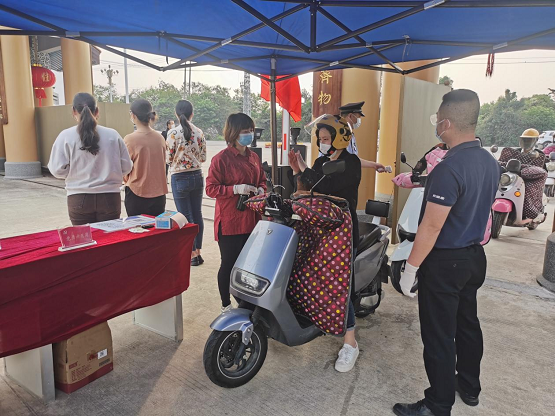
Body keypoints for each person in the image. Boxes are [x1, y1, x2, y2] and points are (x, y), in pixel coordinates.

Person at [394, 90, 502, 416]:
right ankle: (469, 387)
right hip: (474, 259)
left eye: (437, 119)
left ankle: (438, 404)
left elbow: (430, 228)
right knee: (468, 325)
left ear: (447, 122)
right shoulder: (489, 161)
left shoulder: (448, 168)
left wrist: (410, 269)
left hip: (446, 262)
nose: (436, 125)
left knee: (439, 335)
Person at [289, 114, 361, 373]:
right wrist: (298, 171)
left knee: (340, 283)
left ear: (341, 138)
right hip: (317, 228)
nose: (322, 143)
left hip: (342, 231)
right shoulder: (320, 161)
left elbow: (331, 186)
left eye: (326, 138)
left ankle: (350, 342)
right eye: (320, 139)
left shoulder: (351, 163)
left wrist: (306, 172)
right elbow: (305, 190)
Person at [205, 113, 266, 312]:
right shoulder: (221, 159)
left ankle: (245, 302)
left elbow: (262, 180)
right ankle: (225, 304)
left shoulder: (254, 157)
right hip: (230, 221)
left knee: (248, 265)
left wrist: (261, 190)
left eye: (251, 131)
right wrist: (235, 189)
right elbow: (211, 189)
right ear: (233, 133)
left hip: (251, 219)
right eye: (245, 131)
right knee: (229, 264)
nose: (249, 135)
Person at [48, 92, 133, 225]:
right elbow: (127, 167)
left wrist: (73, 173)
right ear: (97, 111)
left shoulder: (65, 136)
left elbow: (56, 169)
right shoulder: (112, 135)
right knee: (109, 242)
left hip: (78, 197)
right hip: (109, 197)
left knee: (84, 243)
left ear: (73, 111)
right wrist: (111, 172)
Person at [167, 100, 207, 266]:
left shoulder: (173, 133)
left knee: (185, 216)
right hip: (197, 175)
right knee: (197, 214)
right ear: (192, 113)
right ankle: (198, 252)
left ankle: (191, 254)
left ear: (176, 114)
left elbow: (168, 158)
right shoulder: (199, 132)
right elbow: (203, 157)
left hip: (180, 177)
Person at [123, 99, 168, 217]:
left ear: (133, 115)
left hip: (136, 193)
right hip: (159, 194)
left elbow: (124, 168)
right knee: (156, 233)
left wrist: (126, 180)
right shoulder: (160, 138)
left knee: (137, 232)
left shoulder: (130, 139)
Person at [498, 128, 547, 220]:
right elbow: (503, 162)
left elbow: (541, 170)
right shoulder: (513, 152)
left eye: (529, 140)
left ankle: (532, 211)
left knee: (528, 193)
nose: (526, 142)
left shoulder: (540, 155)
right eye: (524, 139)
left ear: (535, 141)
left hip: (527, 179)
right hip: (511, 178)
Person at [339, 101, 386, 172]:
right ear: (350, 116)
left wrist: (374, 165)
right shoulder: (340, 134)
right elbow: (344, 161)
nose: (359, 120)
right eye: (358, 117)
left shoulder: (350, 134)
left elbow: (353, 159)